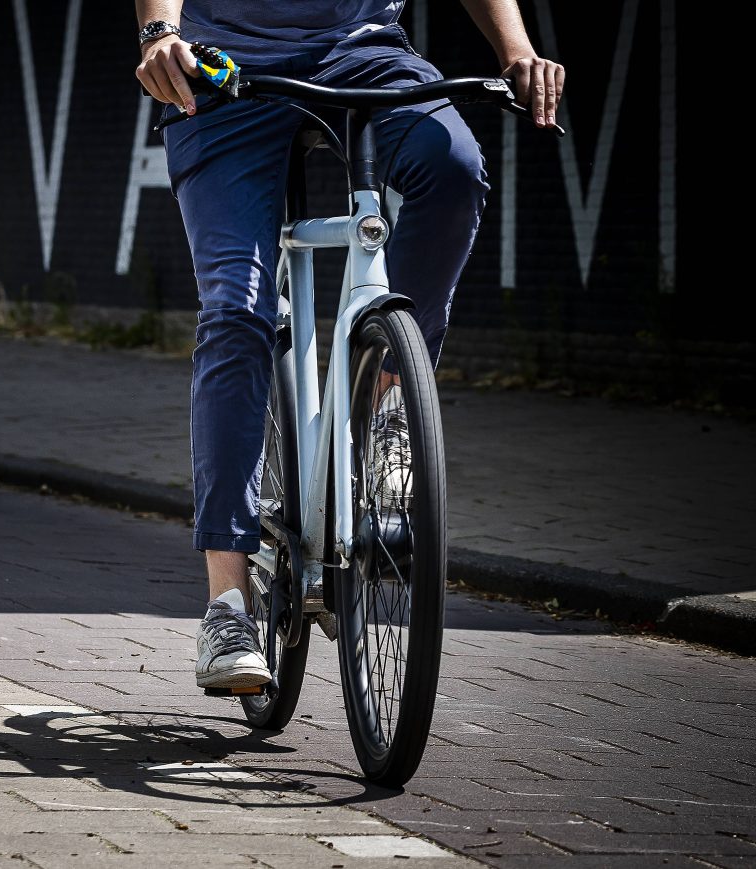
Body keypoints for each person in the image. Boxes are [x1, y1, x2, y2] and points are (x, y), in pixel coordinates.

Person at [133, 1, 565, 690]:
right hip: (223, 70)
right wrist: (161, 33)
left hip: (363, 55)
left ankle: (387, 407)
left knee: (452, 169)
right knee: (237, 311)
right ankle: (227, 604)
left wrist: (515, 48)